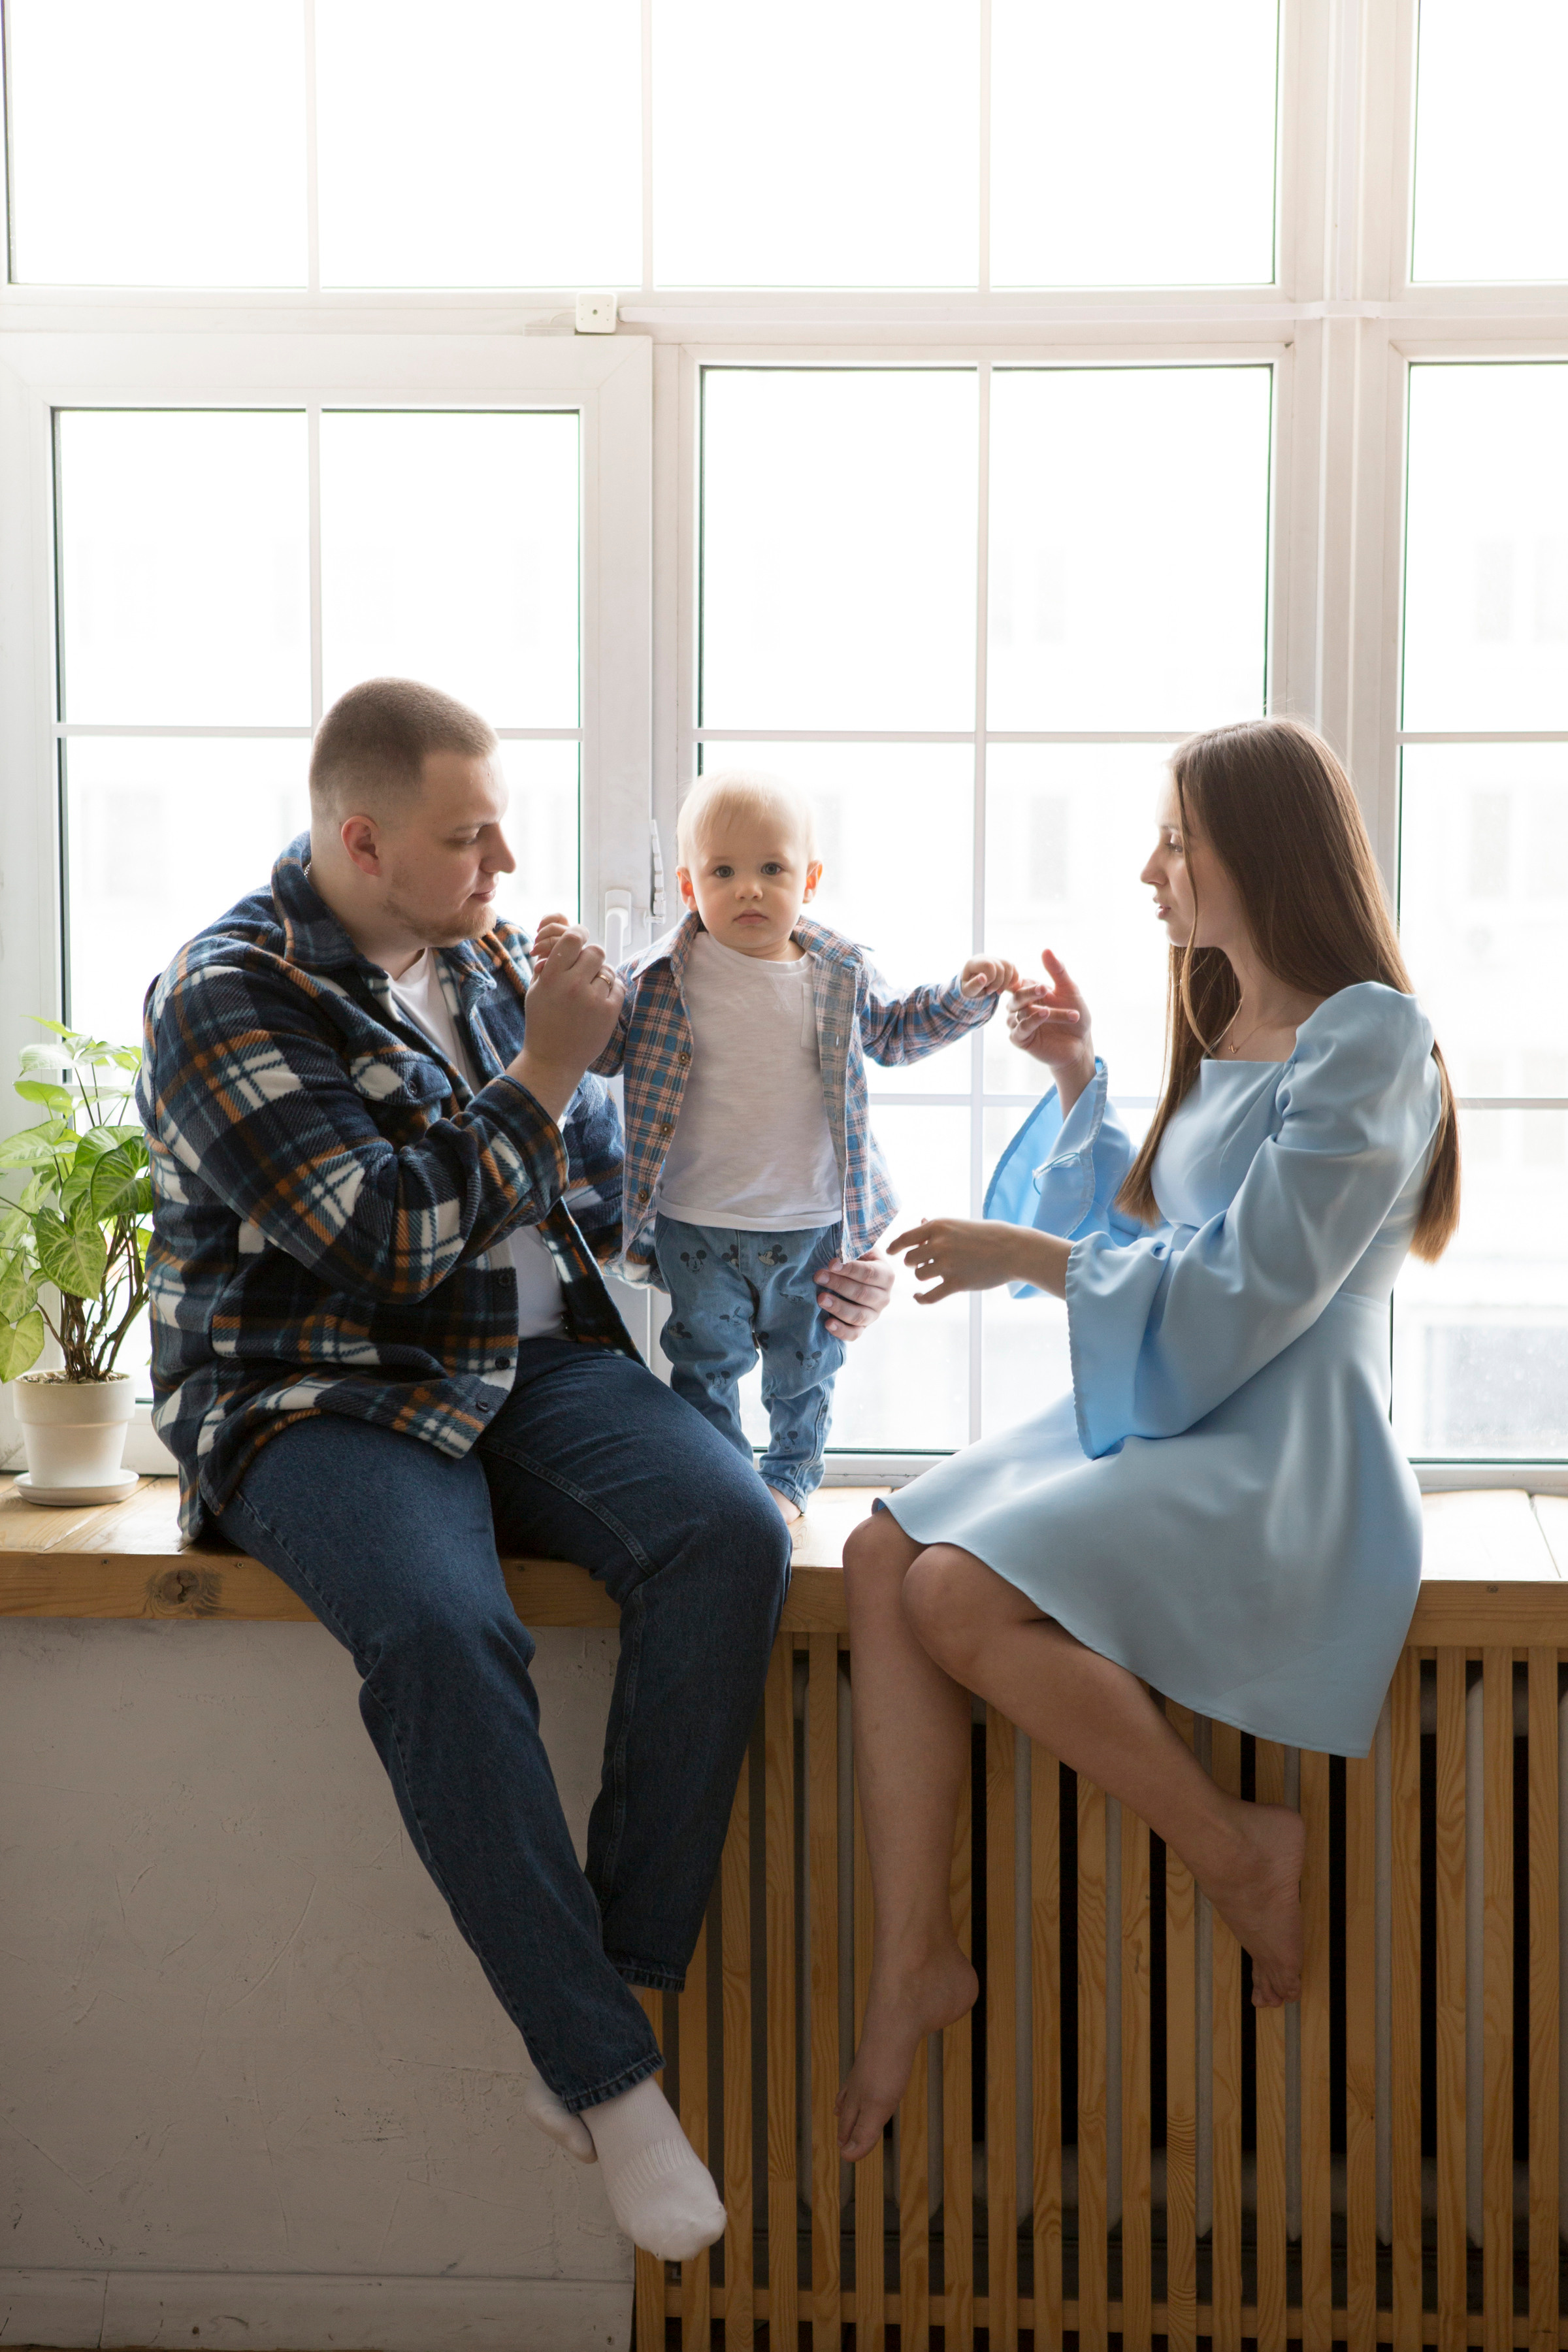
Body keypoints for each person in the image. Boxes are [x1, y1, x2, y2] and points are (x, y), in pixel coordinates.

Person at [135, 678, 896, 2259]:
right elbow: (392, 1244)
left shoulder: (477, 956)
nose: (500, 860)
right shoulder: (222, 994)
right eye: (464, 836)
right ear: (360, 839)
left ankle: (599, 1990)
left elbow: (591, 1197)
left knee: (726, 1533)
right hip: (320, 1392)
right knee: (437, 1625)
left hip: (530, 1362)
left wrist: (797, 1244)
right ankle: (612, 2082)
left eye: (497, 826)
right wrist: (545, 1071)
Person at [832, 715, 1461, 2163]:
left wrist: (1028, 1263)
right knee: (882, 1555)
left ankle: (1240, 1849)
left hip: (1286, 1446)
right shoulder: (1222, 1013)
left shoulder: (1369, 1032)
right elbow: (1147, 1239)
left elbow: (1248, 1289)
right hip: (1184, 1411)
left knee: (952, 1590)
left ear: (1260, 849)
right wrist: (1075, 1084)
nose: (1149, 872)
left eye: (1173, 840)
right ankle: (912, 1960)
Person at [533, 768, 1019, 1522]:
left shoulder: (839, 970)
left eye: (772, 870)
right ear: (691, 887)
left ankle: (790, 1483)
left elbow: (894, 1033)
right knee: (705, 1368)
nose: (750, 890)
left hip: (811, 1221)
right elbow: (601, 1052)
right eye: (724, 872)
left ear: (810, 880)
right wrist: (568, 973)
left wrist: (964, 995)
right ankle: (726, 1491)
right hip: (698, 1221)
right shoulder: (658, 977)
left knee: (806, 1368)